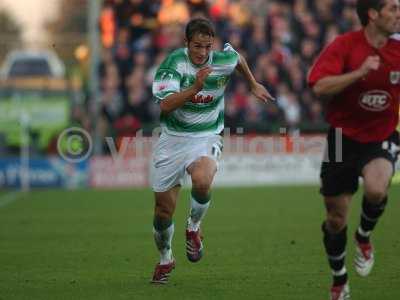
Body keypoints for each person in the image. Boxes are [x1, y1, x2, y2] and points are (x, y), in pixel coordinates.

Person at [150, 18, 274, 284]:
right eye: (197, 46)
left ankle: (193, 227)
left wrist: (252, 84)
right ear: (186, 43)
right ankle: (165, 257)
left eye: (207, 47)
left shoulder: (220, 60)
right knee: (162, 212)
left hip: (206, 136)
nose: (203, 53)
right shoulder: (173, 65)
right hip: (172, 140)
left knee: (203, 180)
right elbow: (166, 105)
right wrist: (194, 87)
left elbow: (238, 59)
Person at [308, 0, 400, 299]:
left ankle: (364, 237)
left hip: (381, 134)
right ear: (373, 14)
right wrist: (358, 73)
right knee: (335, 219)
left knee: (376, 189)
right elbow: (319, 87)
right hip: (339, 138)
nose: (399, 14)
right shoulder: (345, 46)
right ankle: (339, 279)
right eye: (394, 9)